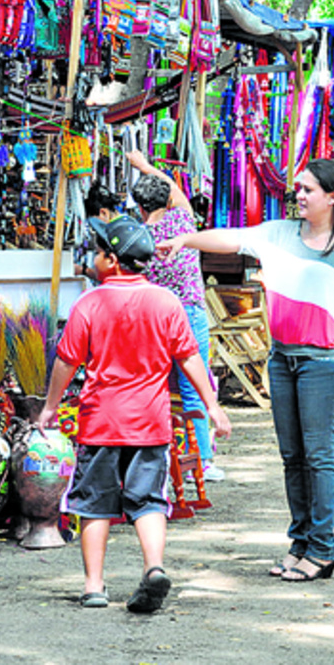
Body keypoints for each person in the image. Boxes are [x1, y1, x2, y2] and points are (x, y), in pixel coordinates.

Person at [158, 159, 334, 583]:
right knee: (292, 457)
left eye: (309, 189)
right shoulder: (277, 234)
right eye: (298, 188)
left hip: (325, 362)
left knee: (319, 454)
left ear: (332, 197)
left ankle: (323, 549)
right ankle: (300, 542)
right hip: (283, 358)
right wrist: (184, 239)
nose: (301, 195)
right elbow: (229, 238)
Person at [39, 214, 231, 612]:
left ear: (111, 260)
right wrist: (211, 405)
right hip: (151, 424)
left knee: (92, 505)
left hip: (101, 423)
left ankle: (94, 585)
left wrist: (51, 407)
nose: (92, 257)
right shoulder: (166, 301)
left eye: (97, 251)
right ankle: (154, 568)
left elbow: (66, 361)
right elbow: (190, 357)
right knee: (148, 502)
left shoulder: (90, 302)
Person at [128, 150, 224, 481]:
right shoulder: (183, 221)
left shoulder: (138, 239)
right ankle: (204, 461)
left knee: (151, 387)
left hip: (154, 321)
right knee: (194, 388)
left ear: (140, 207)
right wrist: (144, 165)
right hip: (191, 315)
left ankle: (151, 458)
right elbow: (175, 190)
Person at [74, 182, 123, 283]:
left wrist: (84, 270)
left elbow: (110, 274)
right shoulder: (124, 225)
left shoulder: (116, 235)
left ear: (103, 212)